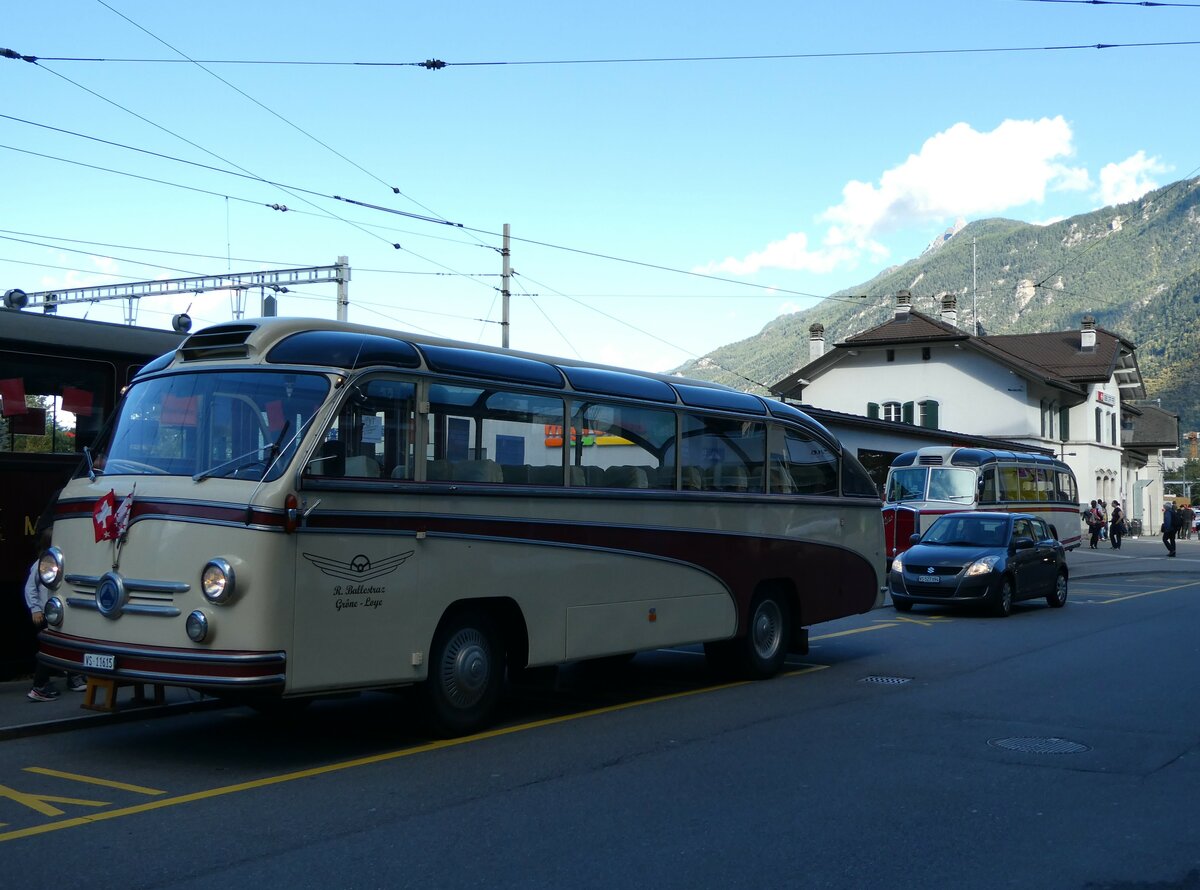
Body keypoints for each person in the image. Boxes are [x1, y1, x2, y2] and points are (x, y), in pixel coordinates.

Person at [23, 529, 86, 701]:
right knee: (50, 649)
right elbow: (30, 588)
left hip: (62, 612)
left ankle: (73, 678)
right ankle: (40, 686)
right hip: (48, 613)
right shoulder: (41, 564)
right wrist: (35, 609)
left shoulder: (65, 563)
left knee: (70, 643)